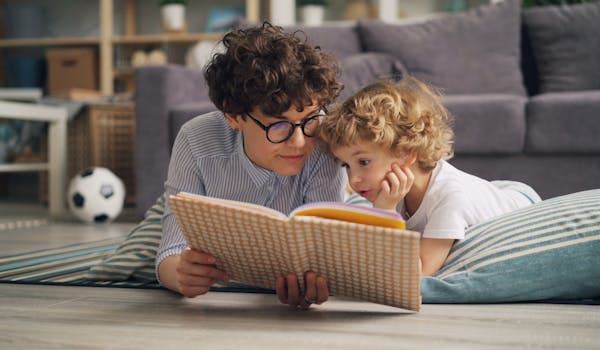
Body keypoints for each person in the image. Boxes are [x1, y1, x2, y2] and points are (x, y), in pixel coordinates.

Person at [155, 22, 346, 309]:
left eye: (309, 119)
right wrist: (181, 274)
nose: (299, 142)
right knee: (151, 226)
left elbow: (326, 252)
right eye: (279, 126)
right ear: (234, 117)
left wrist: (316, 280)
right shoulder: (196, 139)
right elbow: (171, 252)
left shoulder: (320, 141)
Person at [318, 77, 541, 276]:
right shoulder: (393, 189)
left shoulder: (449, 198)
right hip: (494, 190)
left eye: (363, 162)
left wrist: (385, 213)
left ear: (406, 153)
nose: (353, 179)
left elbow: (419, 272)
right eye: (346, 165)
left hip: (522, 203)